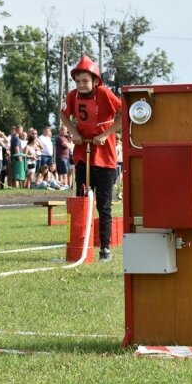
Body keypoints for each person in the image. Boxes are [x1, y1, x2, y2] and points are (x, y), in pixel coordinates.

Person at [60, 56, 121, 262]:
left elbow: (124, 113)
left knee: (103, 205)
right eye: (78, 81)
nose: (81, 85)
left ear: (95, 80)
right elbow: (63, 115)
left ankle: (105, 248)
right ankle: (80, 244)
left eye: (85, 81)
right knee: (81, 200)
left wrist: (105, 134)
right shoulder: (72, 96)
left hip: (104, 155)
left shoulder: (104, 93)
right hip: (82, 152)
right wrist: (73, 132)